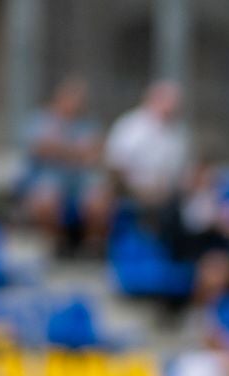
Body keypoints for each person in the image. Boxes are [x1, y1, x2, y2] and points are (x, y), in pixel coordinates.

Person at [19, 77, 113, 255]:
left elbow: (96, 153)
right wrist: (76, 153)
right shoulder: (41, 120)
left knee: (100, 199)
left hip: (81, 181)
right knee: (45, 199)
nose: (75, 105)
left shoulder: (88, 124)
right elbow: (41, 148)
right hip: (48, 179)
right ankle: (58, 245)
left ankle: (93, 248)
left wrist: (61, 151)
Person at [105, 80, 190, 208]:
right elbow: (115, 166)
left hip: (168, 200)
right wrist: (137, 191)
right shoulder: (131, 126)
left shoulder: (179, 133)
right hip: (130, 199)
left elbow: (181, 172)